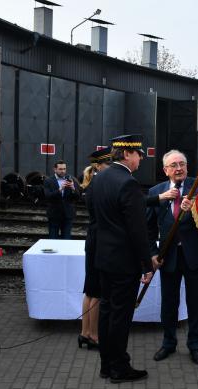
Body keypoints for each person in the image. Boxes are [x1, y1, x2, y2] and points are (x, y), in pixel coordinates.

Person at [147, 149, 198, 365]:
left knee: (196, 303)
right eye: (174, 165)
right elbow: (148, 228)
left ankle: (195, 345)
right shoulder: (156, 191)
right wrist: (152, 253)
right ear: (165, 170)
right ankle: (169, 343)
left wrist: (196, 210)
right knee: (169, 302)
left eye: (182, 164)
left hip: (196, 255)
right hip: (169, 256)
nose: (179, 168)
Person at [93, 134, 154, 383]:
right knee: (120, 316)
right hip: (123, 263)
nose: (141, 158)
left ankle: (106, 364)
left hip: (104, 258)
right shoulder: (128, 183)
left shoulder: (100, 178)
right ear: (127, 154)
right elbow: (137, 230)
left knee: (107, 311)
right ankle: (119, 368)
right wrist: (146, 264)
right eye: (139, 154)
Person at [78, 147, 112, 350]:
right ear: (98, 166)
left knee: (90, 290)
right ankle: (94, 336)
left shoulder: (91, 185)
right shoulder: (99, 186)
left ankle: (85, 333)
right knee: (97, 291)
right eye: (108, 164)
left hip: (93, 239)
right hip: (99, 241)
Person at [43, 160, 80, 239]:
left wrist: (73, 188)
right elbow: (47, 196)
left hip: (68, 214)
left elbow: (77, 197)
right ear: (55, 169)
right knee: (53, 238)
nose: (63, 171)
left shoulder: (71, 179)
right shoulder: (48, 180)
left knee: (66, 239)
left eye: (64, 169)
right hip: (54, 214)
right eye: (60, 169)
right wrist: (60, 189)